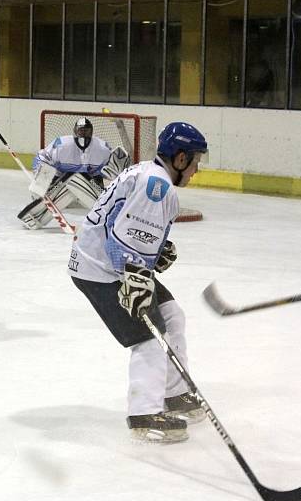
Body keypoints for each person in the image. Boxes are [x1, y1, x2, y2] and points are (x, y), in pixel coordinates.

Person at [67, 122, 207, 443]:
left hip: (112, 263)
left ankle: (173, 392)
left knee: (171, 315)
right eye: (196, 161)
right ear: (181, 158)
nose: (197, 169)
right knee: (150, 335)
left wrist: (156, 251)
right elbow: (126, 237)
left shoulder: (148, 172)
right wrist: (136, 278)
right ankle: (144, 413)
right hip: (100, 271)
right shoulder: (157, 185)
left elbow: (127, 225)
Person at [18, 117, 130, 229]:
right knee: (49, 184)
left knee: (83, 184)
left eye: (86, 131)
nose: (83, 134)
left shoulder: (102, 148)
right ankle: (37, 212)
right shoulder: (61, 144)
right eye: (81, 131)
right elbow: (42, 157)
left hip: (89, 180)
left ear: (91, 132)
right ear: (75, 132)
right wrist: (42, 181)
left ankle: (108, 218)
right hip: (60, 178)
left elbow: (112, 170)